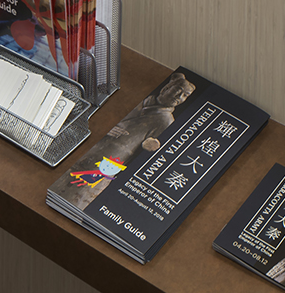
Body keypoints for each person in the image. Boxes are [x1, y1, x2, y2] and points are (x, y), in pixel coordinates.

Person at [58, 72, 196, 210]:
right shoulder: (143, 100)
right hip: (88, 150)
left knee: (73, 200)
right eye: (178, 91)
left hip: (104, 167)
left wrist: (148, 147)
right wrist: (108, 128)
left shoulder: (166, 120)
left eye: (185, 95)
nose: (179, 97)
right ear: (166, 88)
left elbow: (149, 159)